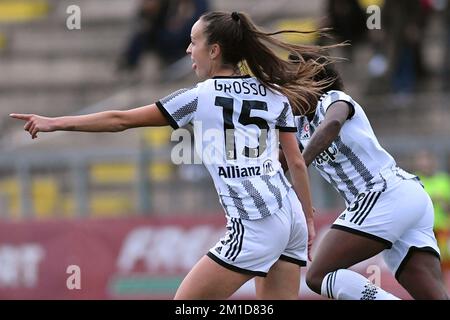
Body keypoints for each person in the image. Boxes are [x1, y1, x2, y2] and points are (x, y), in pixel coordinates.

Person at [10, 11, 334, 300]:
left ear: (214, 50)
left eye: (194, 42)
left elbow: (120, 121)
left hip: (255, 221)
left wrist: (56, 122)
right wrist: (306, 219)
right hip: (290, 215)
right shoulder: (272, 93)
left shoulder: (197, 98)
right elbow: (295, 163)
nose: (188, 50)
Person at [280, 54, 449, 299]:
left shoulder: (334, 99)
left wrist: (300, 163)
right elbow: (277, 164)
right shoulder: (298, 126)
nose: (285, 93)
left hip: (382, 192)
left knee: (318, 276)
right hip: (402, 199)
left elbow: (333, 125)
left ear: (311, 82)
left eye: (289, 84)